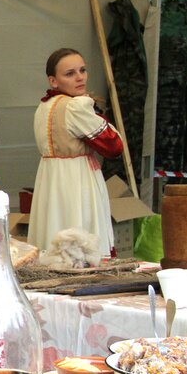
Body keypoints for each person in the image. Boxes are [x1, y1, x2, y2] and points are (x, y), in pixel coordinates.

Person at [27, 48, 123, 258]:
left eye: (82, 70)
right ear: (53, 81)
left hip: (51, 178)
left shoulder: (44, 106)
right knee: (79, 224)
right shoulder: (76, 107)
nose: (80, 77)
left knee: (55, 223)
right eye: (70, 74)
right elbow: (114, 146)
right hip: (77, 178)